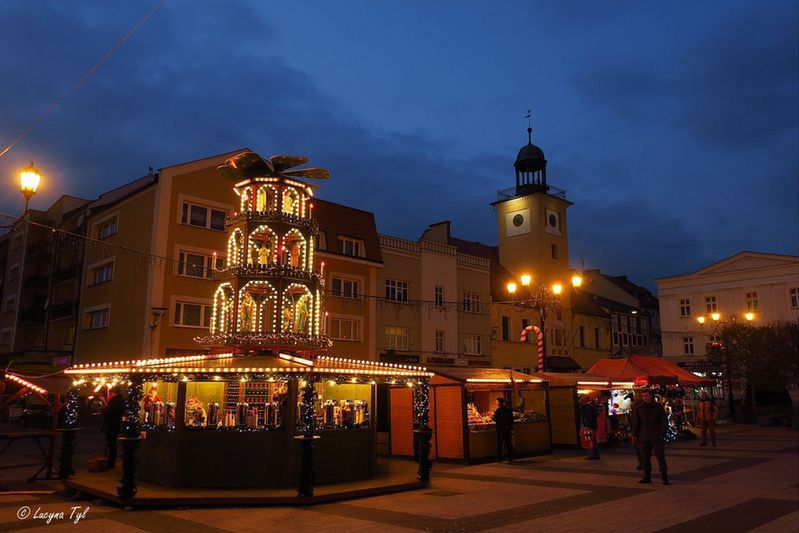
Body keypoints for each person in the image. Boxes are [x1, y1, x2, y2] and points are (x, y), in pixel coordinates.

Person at [631, 388, 669, 485]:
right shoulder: (637, 407)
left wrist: (662, 433)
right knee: (645, 457)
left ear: (651, 396)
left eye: (647, 396)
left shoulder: (657, 406)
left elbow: (663, 420)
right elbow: (635, 422)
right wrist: (634, 434)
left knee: (660, 456)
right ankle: (647, 476)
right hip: (643, 435)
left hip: (656, 434)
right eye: (643, 396)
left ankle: (664, 476)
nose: (645, 398)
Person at [101, 385, 125, 469]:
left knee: (112, 443)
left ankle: (111, 463)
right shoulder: (120, 400)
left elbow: (109, 411)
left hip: (111, 425)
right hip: (114, 424)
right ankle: (111, 462)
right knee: (112, 443)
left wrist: (104, 407)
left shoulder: (115, 400)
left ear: (113, 393)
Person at [493, 397, 514, 462]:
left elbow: (495, 419)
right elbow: (511, 419)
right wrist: (511, 428)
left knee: (499, 443)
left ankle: (499, 458)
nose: (496, 403)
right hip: (507, 428)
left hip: (500, 429)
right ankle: (509, 457)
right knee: (508, 443)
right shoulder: (509, 410)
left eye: (496, 401)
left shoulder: (498, 410)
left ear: (499, 402)